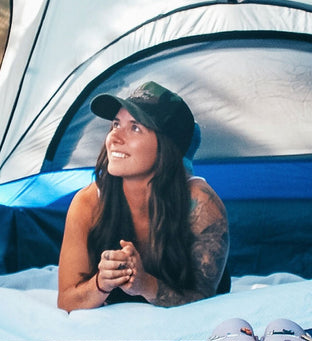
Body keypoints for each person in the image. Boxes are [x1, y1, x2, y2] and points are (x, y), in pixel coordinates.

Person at [57, 81, 229, 310]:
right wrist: (100, 283)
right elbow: (67, 300)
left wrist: (145, 284)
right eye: (116, 124)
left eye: (135, 127)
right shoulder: (88, 202)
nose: (114, 138)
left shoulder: (200, 203)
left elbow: (204, 299)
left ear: (166, 147)